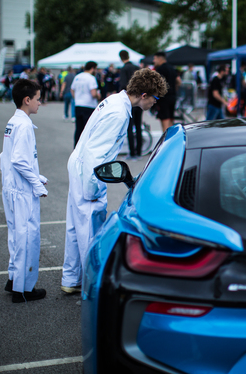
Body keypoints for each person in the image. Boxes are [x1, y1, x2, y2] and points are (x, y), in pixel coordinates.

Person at [61, 68, 168, 294]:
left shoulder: (115, 103)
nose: (154, 104)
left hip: (80, 165)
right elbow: (96, 153)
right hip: (89, 171)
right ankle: (93, 288)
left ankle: (71, 280)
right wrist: (93, 189)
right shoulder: (118, 113)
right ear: (144, 95)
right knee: (90, 229)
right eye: (155, 98)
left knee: (75, 227)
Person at [0, 79, 48, 303]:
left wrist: (37, 177)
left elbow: (8, 159)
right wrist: (36, 184)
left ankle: (13, 279)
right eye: (38, 99)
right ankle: (23, 289)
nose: (41, 103)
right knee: (27, 238)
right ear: (27, 100)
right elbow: (19, 160)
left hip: (12, 188)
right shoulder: (24, 124)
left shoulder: (14, 121)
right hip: (21, 192)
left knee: (16, 237)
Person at [119, 50, 143, 160]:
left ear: (121, 58)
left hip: (130, 101)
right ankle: (139, 151)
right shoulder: (137, 67)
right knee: (138, 126)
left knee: (130, 127)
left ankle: (132, 152)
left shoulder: (124, 69)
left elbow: (123, 85)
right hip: (139, 100)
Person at [71, 61, 100, 147]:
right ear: (92, 68)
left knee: (78, 128)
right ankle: (85, 148)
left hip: (78, 105)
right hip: (89, 106)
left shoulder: (77, 77)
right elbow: (93, 93)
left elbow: (72, 89)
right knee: (88, 129)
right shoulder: (91, 78)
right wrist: (99, 96)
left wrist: (76, 98)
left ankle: (76, 148)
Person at [154, 51, 181, 131]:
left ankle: (166, 141)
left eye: (155, 59)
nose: (154, 61)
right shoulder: (172, 68)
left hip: (163, 98)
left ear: (160, 59)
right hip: (172, 97)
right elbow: (179, 81)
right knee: (171, 119)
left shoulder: (160, 69)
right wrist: (174, 88)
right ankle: (172, 139)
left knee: (165, 121)